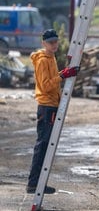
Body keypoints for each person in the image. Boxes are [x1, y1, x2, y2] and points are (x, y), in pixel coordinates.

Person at [26, 29, 80, 194]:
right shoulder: (43, 60)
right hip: (46, 105)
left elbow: (51, 80)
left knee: (46, 145)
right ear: (44, 43)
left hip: (51, 104)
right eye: (51, 42)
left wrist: (62, 74)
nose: (54, 45)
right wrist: (63, 75)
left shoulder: (51, 57)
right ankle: (33, 184)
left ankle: (38, 183)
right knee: (42, 145)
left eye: (56, 42)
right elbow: (46, 85)